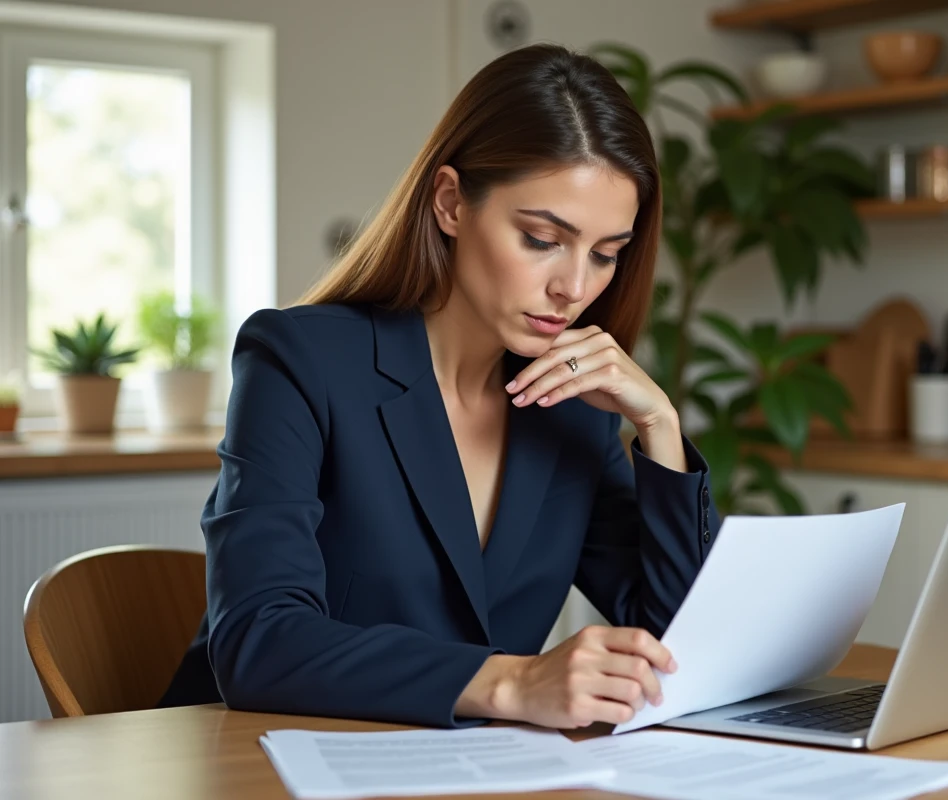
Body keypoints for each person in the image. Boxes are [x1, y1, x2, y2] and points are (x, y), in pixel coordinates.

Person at [159, 43, 718, 730]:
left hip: (464, 772)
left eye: (606, 254)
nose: (575, 287)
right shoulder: (300, 359)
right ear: (451, 203)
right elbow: (258, 642)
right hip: (259, 760)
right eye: (543, 238)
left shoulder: (572, 410)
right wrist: (511, 682)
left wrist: (658, 424)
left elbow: (682, 642)